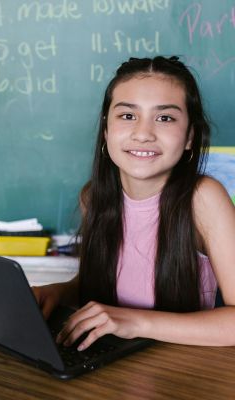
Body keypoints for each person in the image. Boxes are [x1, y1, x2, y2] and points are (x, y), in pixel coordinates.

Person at [32, 56, 235, 350]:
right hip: (112, 367)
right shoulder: (93, 196)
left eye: (165, 118)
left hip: (181, 371)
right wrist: (58, 292)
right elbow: (102, 284)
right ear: (105, 130)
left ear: (190, 136)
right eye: (128, 116)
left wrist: (134, 321)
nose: (143, 133)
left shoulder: (203, 198)